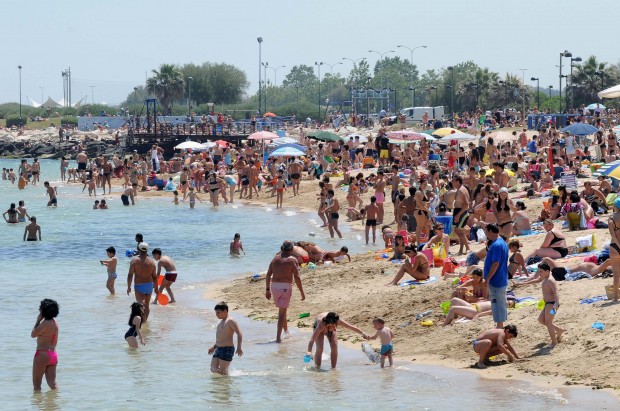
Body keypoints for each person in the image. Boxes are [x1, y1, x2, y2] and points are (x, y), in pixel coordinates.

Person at [265, 241, 305, 342]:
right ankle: (278, 339)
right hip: (285, 287)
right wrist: (301, 291)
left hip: (274, 287)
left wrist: (267, 290)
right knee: (281, 314)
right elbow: (297, 277)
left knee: (283, 310)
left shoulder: (275, 258)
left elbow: (268, 274)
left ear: (282, 248)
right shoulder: (292, 260)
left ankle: (286, 332)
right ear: (291, 250)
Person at [483, 224, 509, 328]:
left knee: (498, 302)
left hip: (497, 279)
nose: (485, 234)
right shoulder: (501, 242)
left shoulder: (497, 245)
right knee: (497, 301)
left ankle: (500, 325)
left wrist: (488, 278)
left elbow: (495, 264)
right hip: (500, 277)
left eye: (486, 231)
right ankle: (499, 324)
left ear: (490, 231)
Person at [208, 302, 243, 375]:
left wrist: (239, 347)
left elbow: (239, 334)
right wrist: (213, 347)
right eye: (216, 313)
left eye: (218, 312)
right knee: (213, 369)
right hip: (218, 348)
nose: (216, 314)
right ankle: (223, 382)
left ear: (225, 311)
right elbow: (220, 338)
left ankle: (226, 384)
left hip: (227, 349)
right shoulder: (221, 322)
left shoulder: (230, 321)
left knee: (222, 372)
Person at [31, 298, 59, 391]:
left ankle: (38, 405)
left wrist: (37, 321)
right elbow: (55, 341)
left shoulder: (44, 323)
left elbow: (33, 334)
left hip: (42, 354)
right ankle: (54, 403)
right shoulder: (55, 323)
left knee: (37, 385)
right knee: (53, 384)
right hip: (53, 354)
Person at [127, 242, 158, 321]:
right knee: (146, 305)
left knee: (141, 305)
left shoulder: (134, 261)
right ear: (147, 250)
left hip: (139, 285)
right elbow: (154, 277)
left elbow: (130, 275)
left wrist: (129, 287)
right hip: (149, 285)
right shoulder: (152, 262)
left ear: (138, 249)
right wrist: (156, 288)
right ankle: (145, 322)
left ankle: (141, 323)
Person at [443, 297, 516, 325]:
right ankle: (451, 318)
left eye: (509, 304)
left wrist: (479, 315)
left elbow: (490, 312)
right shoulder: (497, 301)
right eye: (508, 301)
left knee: (453, 308)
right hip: (473, 306)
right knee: (454, 300)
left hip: (475, 311)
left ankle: (445, 324)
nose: (507, 303)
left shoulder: (500, 307)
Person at [452, 176, 471, 254]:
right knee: (460, 232)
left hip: (461, 212)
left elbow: (466, 205)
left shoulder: (461, 190)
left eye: (453, 181)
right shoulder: (460, 189)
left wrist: (458, 215)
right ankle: (461, 249)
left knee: (459, 231)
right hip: (458, 211)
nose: (452, 183)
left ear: (457, 181)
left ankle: (468, 248)